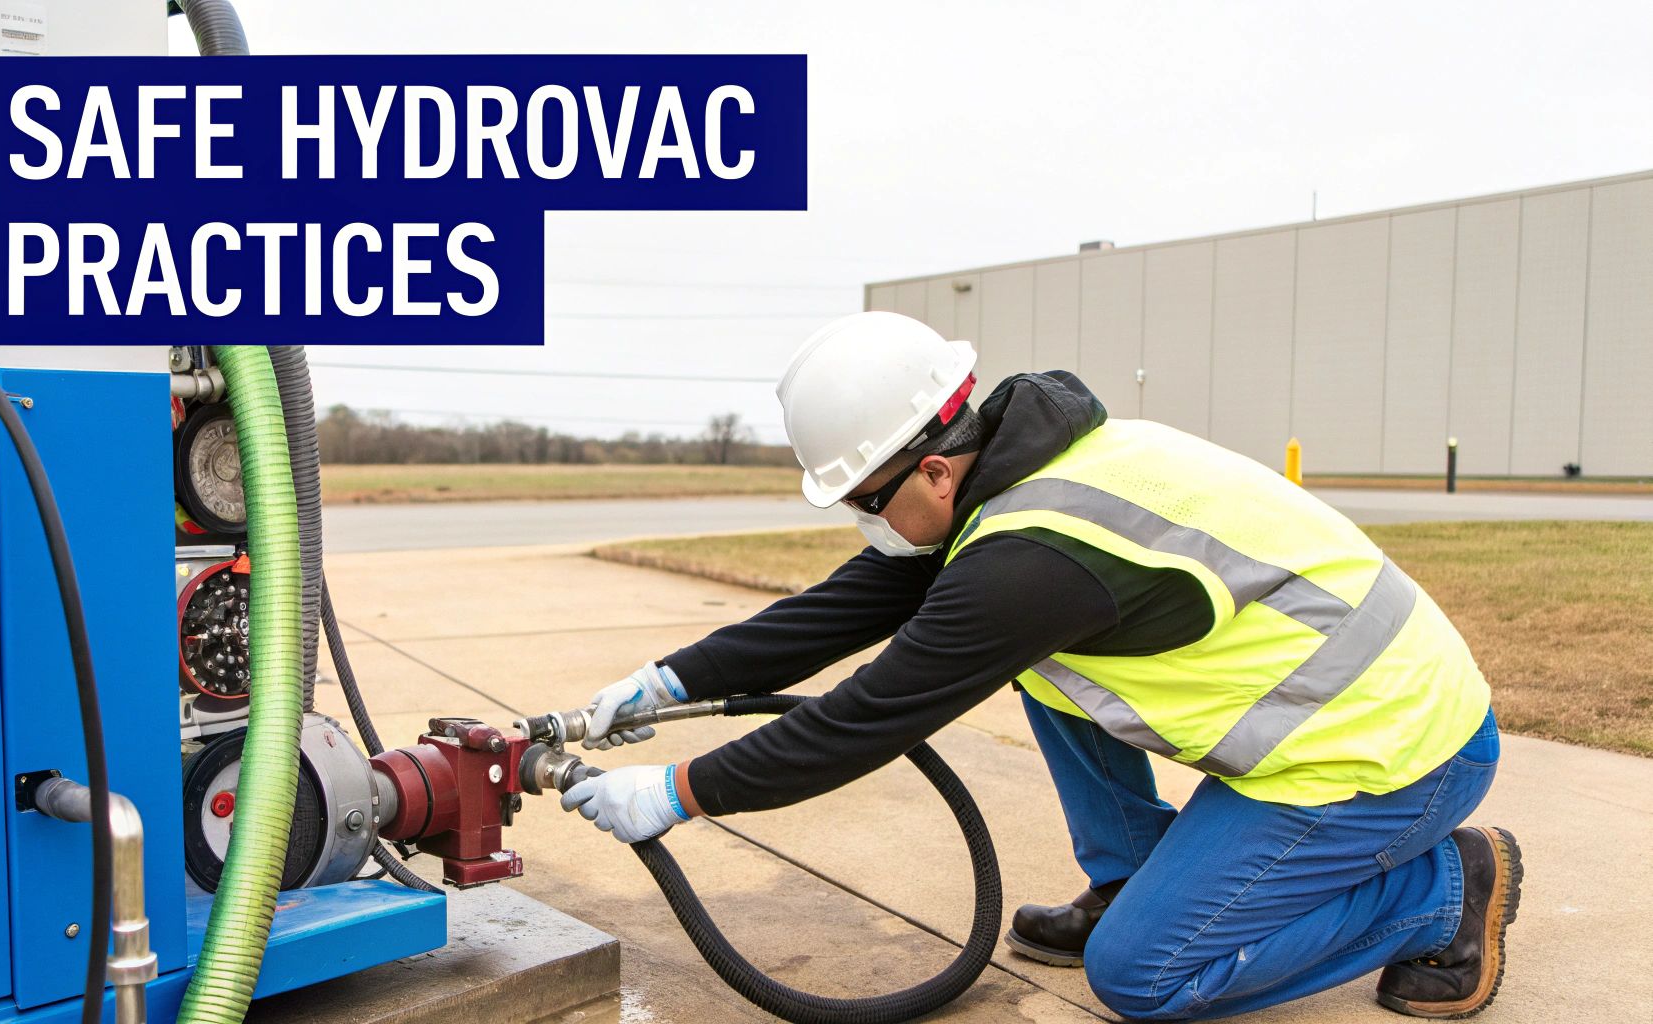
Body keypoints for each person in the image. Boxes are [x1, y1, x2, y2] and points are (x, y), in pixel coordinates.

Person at [560, 311, 1520, 1021]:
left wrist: (679, 792)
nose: (864, 523)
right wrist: (668, 682)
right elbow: (846, 605)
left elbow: (865, 718)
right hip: (1345, 716)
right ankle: (1132, 878)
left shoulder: (1028, 564)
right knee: (1042, 668)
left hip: (1393, 757)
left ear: (934, 468)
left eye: (866, 501)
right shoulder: (1015, 474)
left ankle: (1443, 891)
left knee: (1143, 978)